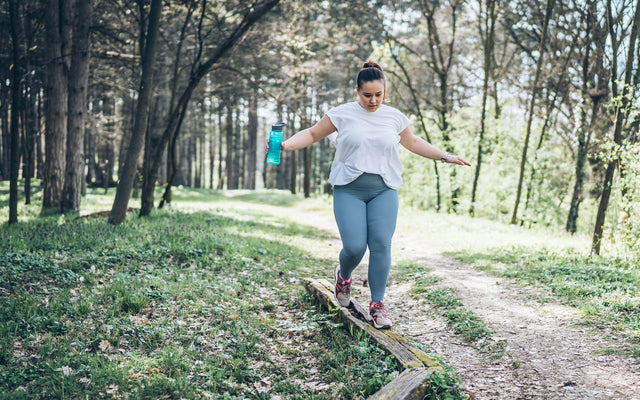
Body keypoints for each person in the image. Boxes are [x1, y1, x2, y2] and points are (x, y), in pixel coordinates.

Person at [270, 60, 470, 329]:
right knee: (354, 247)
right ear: (357, 91)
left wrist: (445, 156)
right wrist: (285, 145)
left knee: (380, 244)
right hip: (349, 189)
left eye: (379, 95)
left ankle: (378, 305)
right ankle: (344, 276)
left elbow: (413, 143)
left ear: (385, 92)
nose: (373, 100)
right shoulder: (341, 114)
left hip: (384, 189)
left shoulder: (394, 117)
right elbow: (313, 133)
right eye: (367, 95)